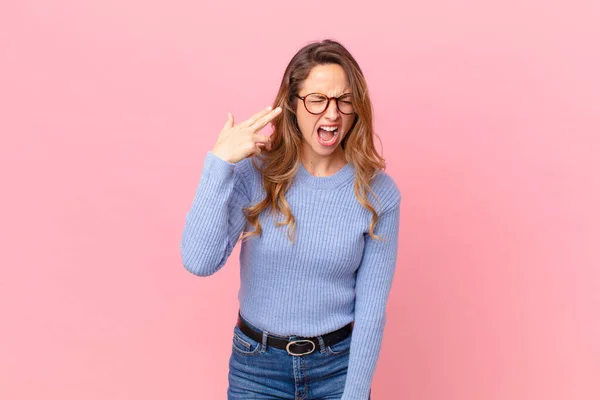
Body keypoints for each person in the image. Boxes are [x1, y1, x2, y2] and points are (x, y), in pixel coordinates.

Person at [180, 39, 401, 400]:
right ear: (293, 104)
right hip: (257, 370)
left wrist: (356, 394)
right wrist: (219, 164)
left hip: (337, 370)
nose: (332, 114)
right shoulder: (255, 174)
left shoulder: (379, 194)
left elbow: (372, 310)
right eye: (317, 99)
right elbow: (198, 261)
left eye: (344, 100)